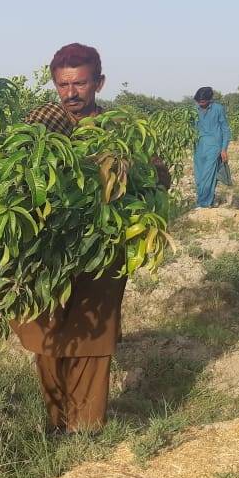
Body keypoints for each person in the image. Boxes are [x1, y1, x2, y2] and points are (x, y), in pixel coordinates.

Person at [11, 42, 155, 434]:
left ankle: (86, 429)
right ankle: (57, 422)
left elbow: (156, 177)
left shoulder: (119, 129)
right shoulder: (42, 122)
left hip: (101, 248)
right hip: (47, 250)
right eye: (63, 85)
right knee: (47, 332)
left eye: (80, 84)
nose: (71, 94)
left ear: (99, 83)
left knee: (93, 335)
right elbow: (13, 161)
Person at [192, 86, 232, 209]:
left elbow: (225, 129)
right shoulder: (193, 111)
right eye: (198, 101)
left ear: (210, 100)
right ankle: (207, 199)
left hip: (214, 146)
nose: (200, 103)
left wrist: (224, 148)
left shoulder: (218, 109)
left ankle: (204, 204)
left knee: (208, 175)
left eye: (203, 101)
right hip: (199, 147)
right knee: (199, 176)